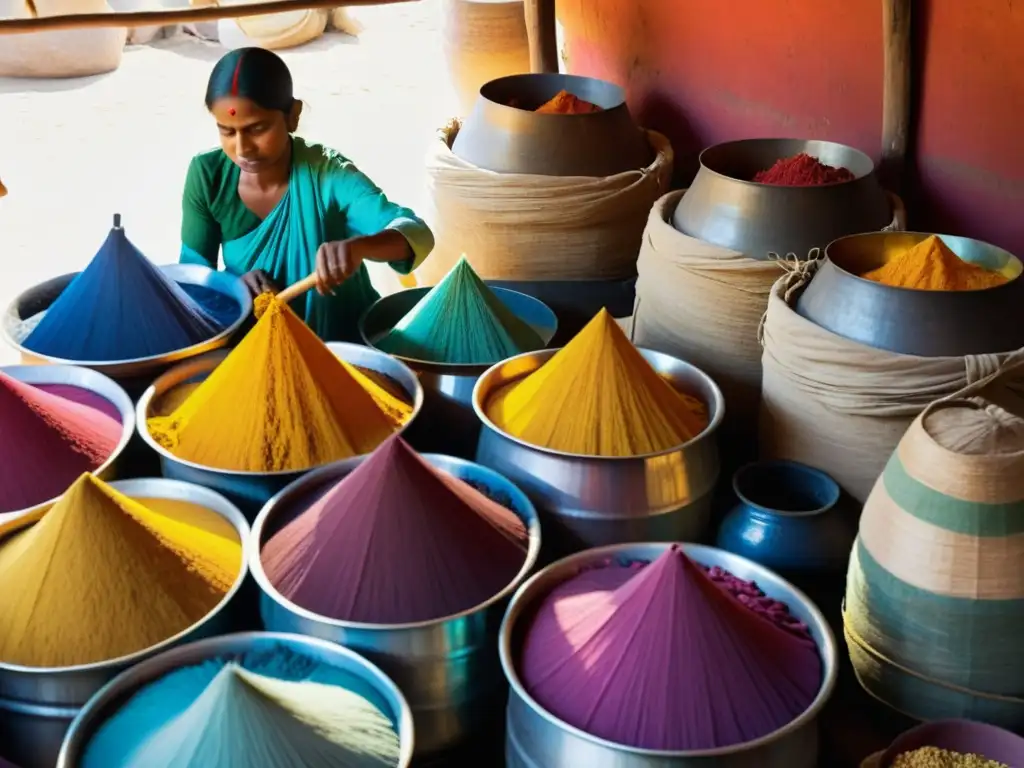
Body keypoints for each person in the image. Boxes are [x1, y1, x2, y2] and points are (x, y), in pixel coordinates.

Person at [181, 47, 434, 342]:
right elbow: (193, 280)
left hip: (343, 347)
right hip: (259, 347)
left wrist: (360, 247)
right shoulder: (208, 175)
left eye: (257, 129)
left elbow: (416, 235)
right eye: (227, 131)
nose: (242, 148)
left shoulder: (327, 174)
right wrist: (234, 286)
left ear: (293, 116)